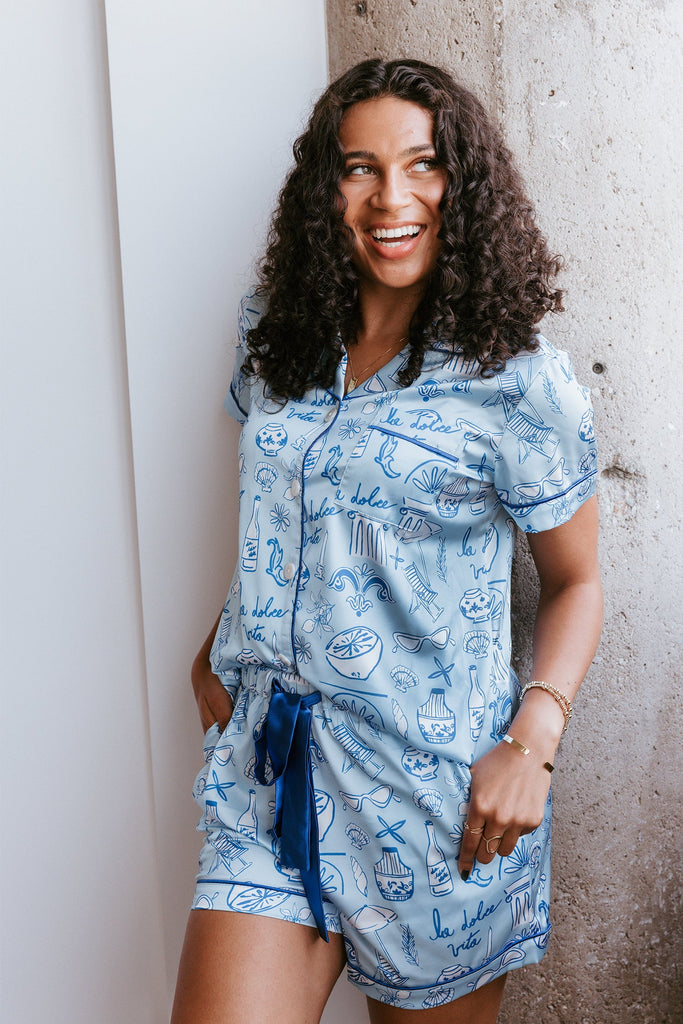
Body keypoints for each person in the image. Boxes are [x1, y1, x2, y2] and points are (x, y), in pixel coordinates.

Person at [170, 59, 602, 1024]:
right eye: (358, 167)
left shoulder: (518, 381)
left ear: (464, 184)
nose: (390, 198)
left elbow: (576, 582)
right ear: (326, 189)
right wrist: (219, 639)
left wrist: (532, 744)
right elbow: (289, 510)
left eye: (422, 164)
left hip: (438, 807)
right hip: (269, 779)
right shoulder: (274, 338)